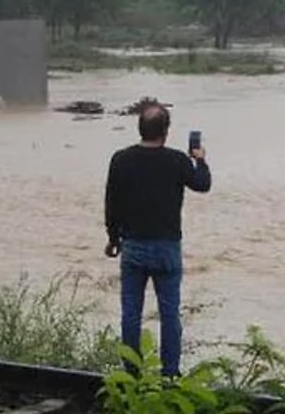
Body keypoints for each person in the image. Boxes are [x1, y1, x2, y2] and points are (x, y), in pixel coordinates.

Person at [103, 102, 211, 378]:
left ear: (140, 129)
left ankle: (131, 373)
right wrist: (199, 158)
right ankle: (170, 375)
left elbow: (111, 202)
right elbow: (202, 184)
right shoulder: (176, 160)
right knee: (170, 315)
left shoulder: (121, 159)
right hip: (166, 248)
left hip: (133, 246)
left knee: (130, 314)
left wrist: (112, 237)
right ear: (165, 131)